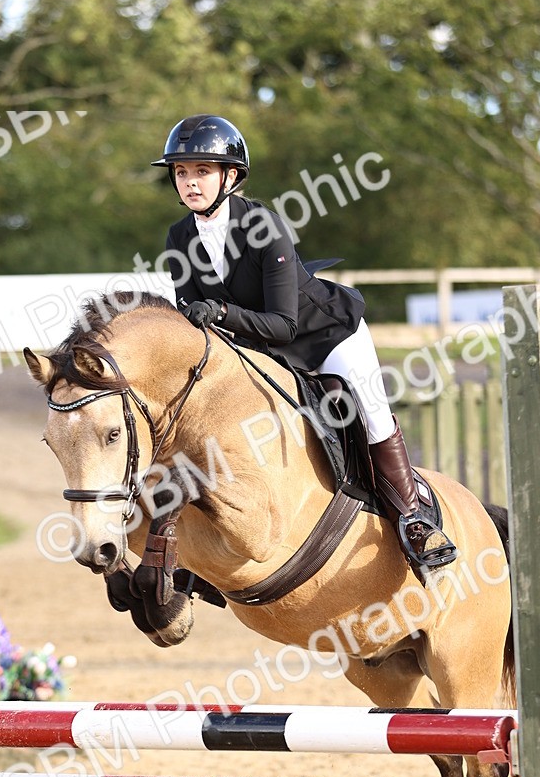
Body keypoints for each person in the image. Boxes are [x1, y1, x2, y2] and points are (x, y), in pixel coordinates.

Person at [152, 113, 457, 575]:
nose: (190, 183)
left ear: (230, 176)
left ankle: (414, 520)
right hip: (261, 349)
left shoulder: (263, 225)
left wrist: (219, 313)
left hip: (326, 335)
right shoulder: (178, 237)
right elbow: (197, 324)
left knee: (370, 413)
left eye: (202, 171)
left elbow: (282, 325)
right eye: (182, 172)